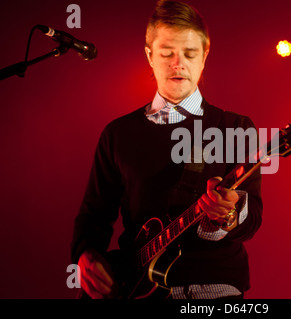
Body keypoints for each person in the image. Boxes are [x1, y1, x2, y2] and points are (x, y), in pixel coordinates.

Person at [71, 0, 262, 299]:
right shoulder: (118, 133)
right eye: (167, 53)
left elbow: (253, 220)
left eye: (189, 53)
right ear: (149, 55)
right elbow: (94, 215)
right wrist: (86, 254)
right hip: (136, 290)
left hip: (212, 290)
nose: (178, 63)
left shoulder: (234, 128)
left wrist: (229, 213)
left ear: (204, 56)